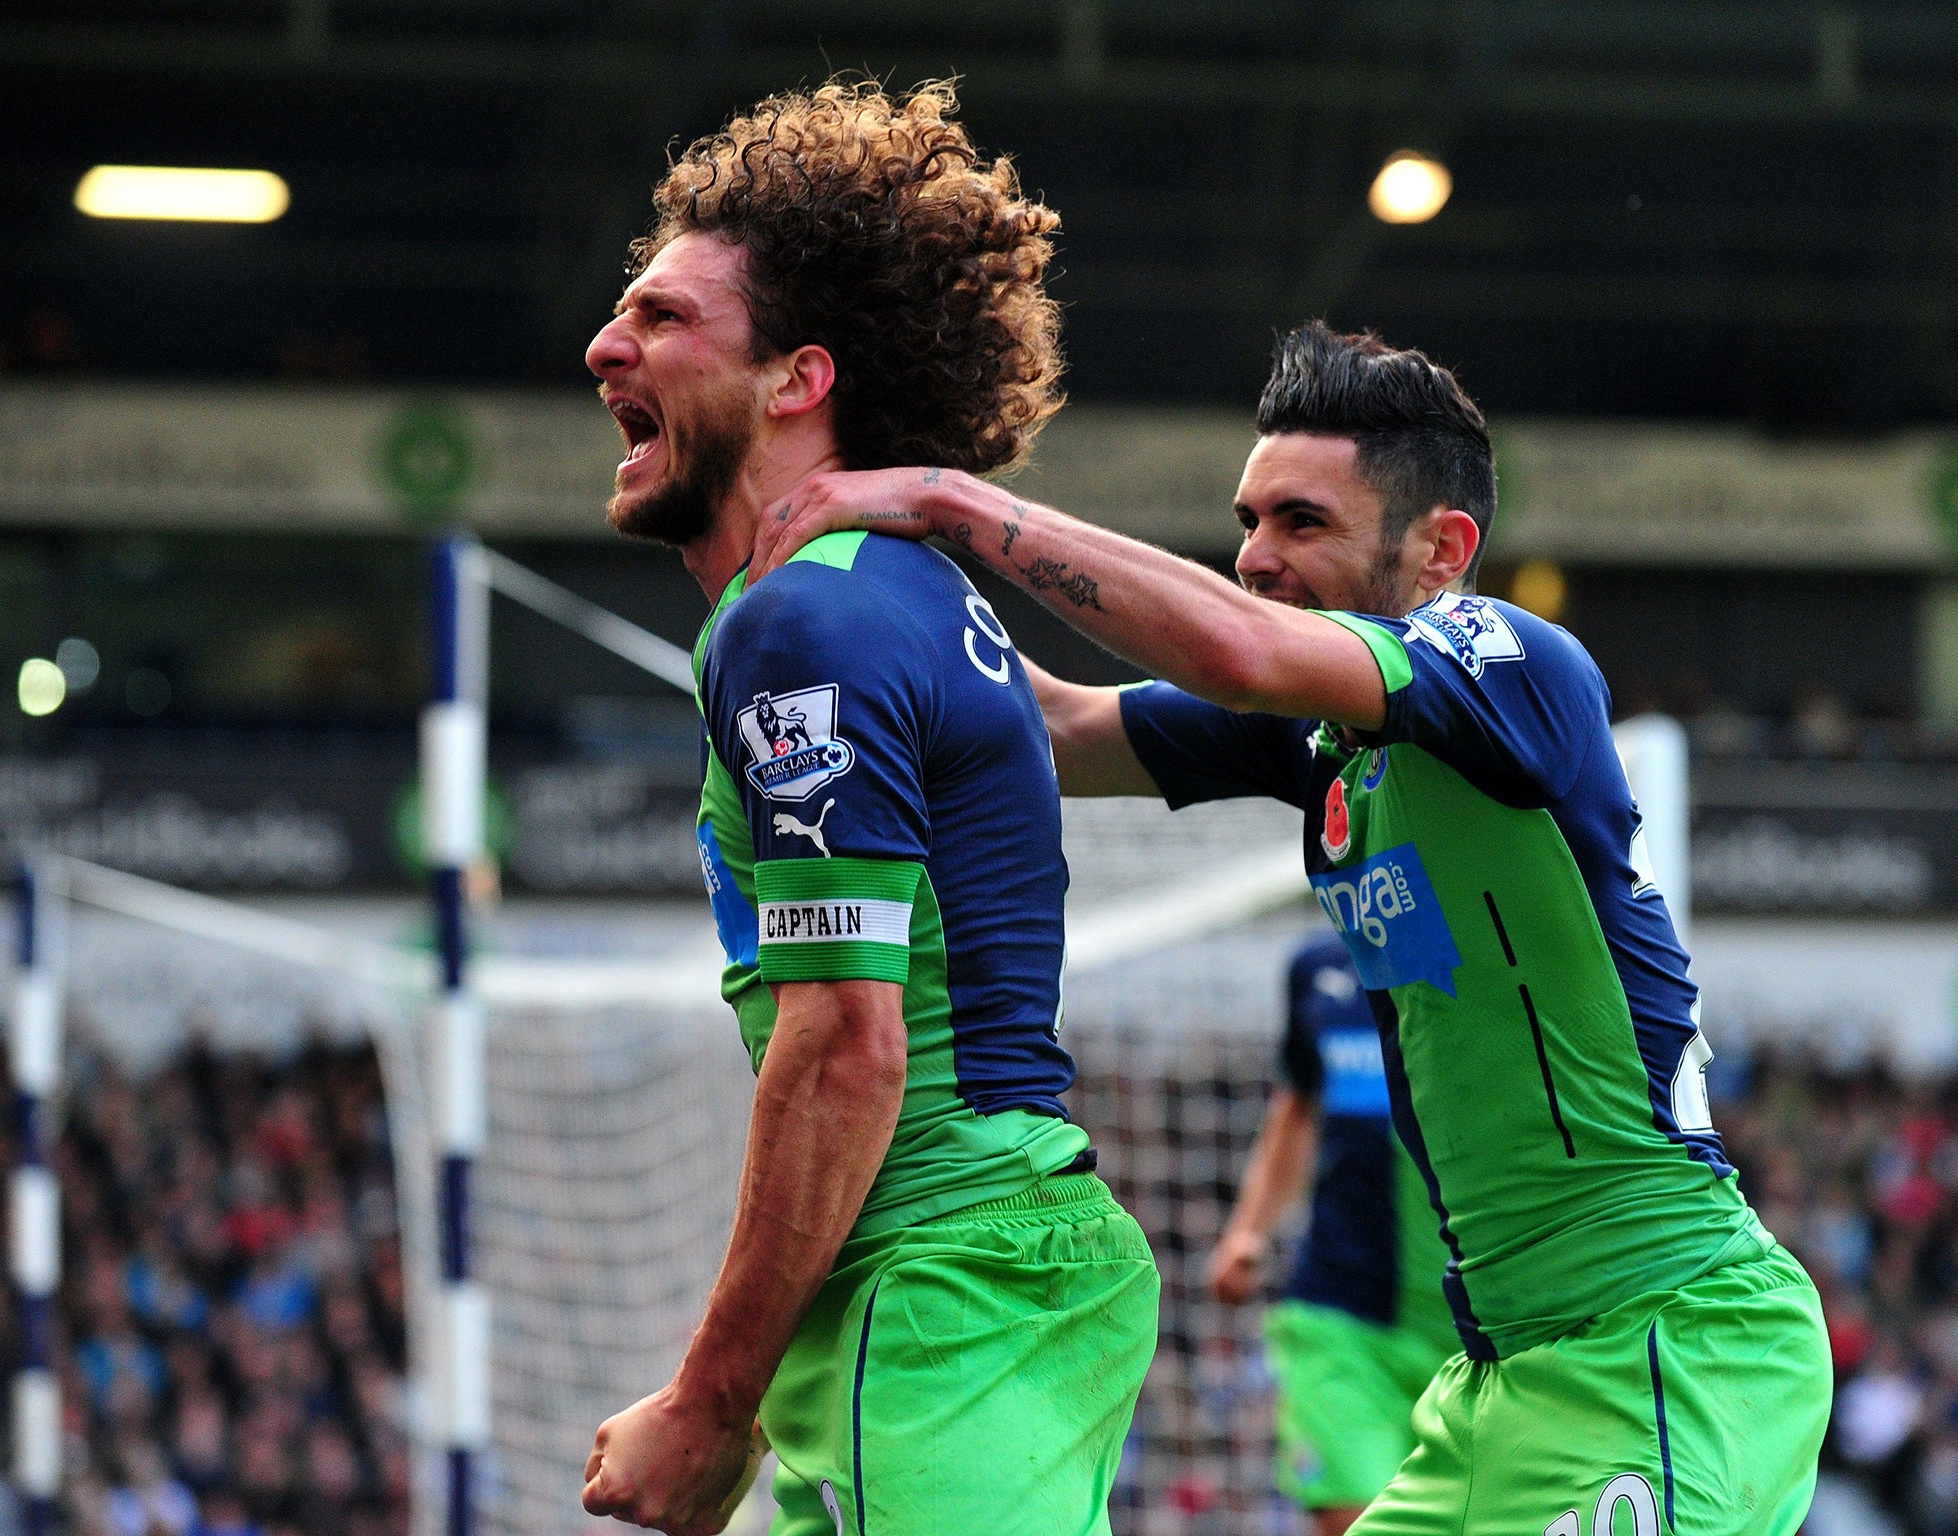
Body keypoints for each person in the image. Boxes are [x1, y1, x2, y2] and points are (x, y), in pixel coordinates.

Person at [752, 322, 1832, 1535]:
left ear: (1441, 549)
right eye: (1247, 520)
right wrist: (844, 594)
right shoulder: (1310, 738)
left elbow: (1235, 646)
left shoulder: (1509, 657)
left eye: (1300, 524)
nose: (1254, 557)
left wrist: (951, 504)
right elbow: (1038, 730)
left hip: (1664, 1337)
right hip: (1498, 1384)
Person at [576, 80, 1159, 1536]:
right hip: (943, 1281)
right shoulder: (890, 598)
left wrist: (708, 1409)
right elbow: (1080, 729)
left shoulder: (808, 626)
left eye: (662, 320)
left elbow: (846, 1045)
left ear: (796, 379)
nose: (606, 347)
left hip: (946, 1284)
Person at [1209, 933, 1455, 1536]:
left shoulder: (1484, 939)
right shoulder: (1316, 969)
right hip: (1341, 1320)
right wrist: (1249, 1231)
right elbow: (1298, 1106)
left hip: (1471, 1330)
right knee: (1359, 1524)